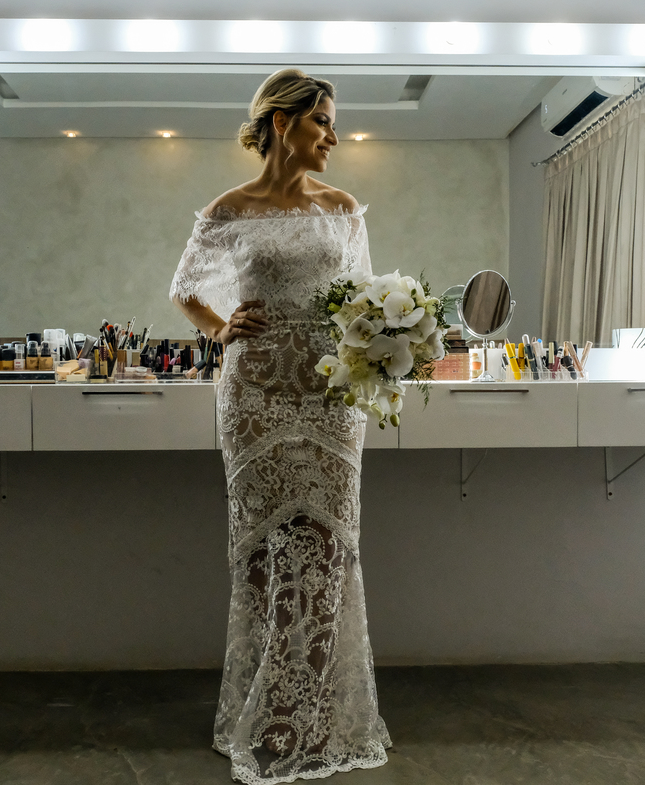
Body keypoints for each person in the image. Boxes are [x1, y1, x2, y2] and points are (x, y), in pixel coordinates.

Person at [170, 69, 391, 783]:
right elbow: (184, 289)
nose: (333, 136)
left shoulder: (343, 208)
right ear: (281, 122)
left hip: (328, 395)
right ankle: (266, 714)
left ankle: (313, 718)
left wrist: (393, 341)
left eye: (333, 123)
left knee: (327, 547)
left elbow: (364, 302)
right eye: (322, 120)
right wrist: (219, 327)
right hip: (255, 393)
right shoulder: (229, 209)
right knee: (264, 550)